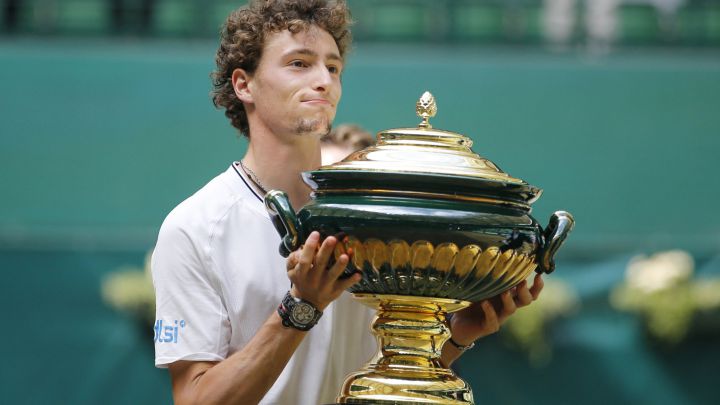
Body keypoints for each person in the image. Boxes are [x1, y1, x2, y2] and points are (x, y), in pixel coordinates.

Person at [151, 1, 544, 404]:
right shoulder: (194, 227)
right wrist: (301, 306)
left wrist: (460, 332)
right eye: (299, 64)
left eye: (333, 67)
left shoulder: (371, 215)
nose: (324, 80)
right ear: (243, 84)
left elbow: (379, 375)